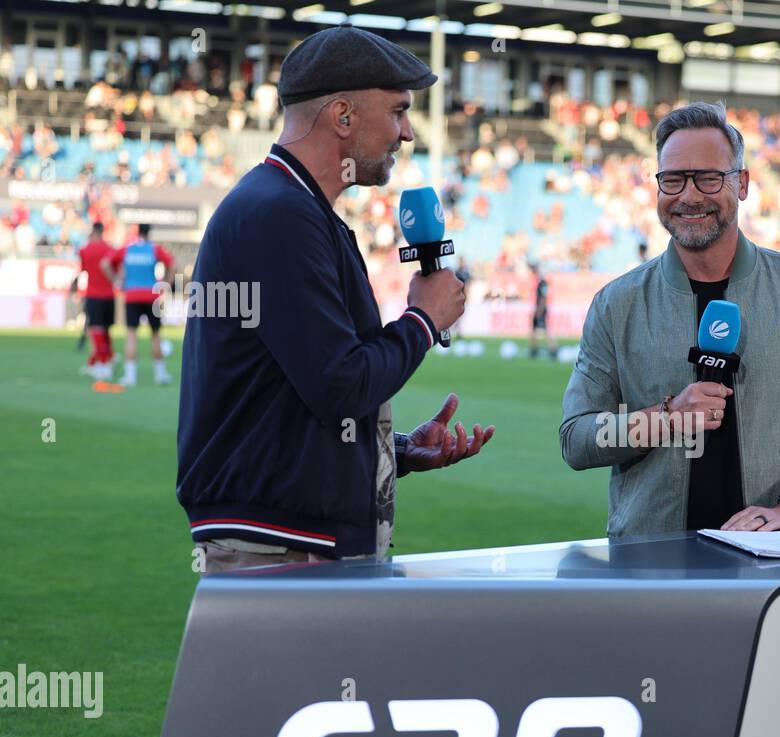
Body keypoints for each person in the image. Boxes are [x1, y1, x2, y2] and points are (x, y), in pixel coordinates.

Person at [177, 25, 494, 572]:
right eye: (397, 111)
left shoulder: (294, 208)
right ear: (343, 116)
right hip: (277, 542)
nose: (408, 133)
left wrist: (389, 453)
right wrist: (422, 320)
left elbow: (292, 396)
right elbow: (339, 383)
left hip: (286, 532)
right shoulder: (280, 213)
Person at [559, 102, 780, 536]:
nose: (689, 196)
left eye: (708, 178)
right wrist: (664, 418)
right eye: (674, 179)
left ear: (741, 184)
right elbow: (576, 439)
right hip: (652, 565)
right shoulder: (617, 304)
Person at [104, 223, 173, 386]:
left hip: (132, 295)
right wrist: (166, 283)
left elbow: (106, 264)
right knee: (156, 335)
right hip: (151, 295)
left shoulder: (127, 249)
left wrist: (116, 281)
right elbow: (172, 262)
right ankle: (160, 375)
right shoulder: (154, 249)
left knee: (131, 335)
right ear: (149, 234)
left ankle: (130, 377)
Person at [76, 221, 118, 381]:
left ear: (92, 232)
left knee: (96, 330)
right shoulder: (110, 249)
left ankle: (104, 364)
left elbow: (84, 269)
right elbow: (115, 269)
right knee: (105, 330)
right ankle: (101, 361)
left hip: (93, 294)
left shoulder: (85, 250)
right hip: (109, 295)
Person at [528, 261, 556, 359]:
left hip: (541, 309)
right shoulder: (540, 282)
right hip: (540, 308)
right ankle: (534, 349)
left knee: (545, 330)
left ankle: (553, 349)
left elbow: (544, 297)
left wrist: (539, 311)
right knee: (535, 330)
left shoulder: (543, 283)